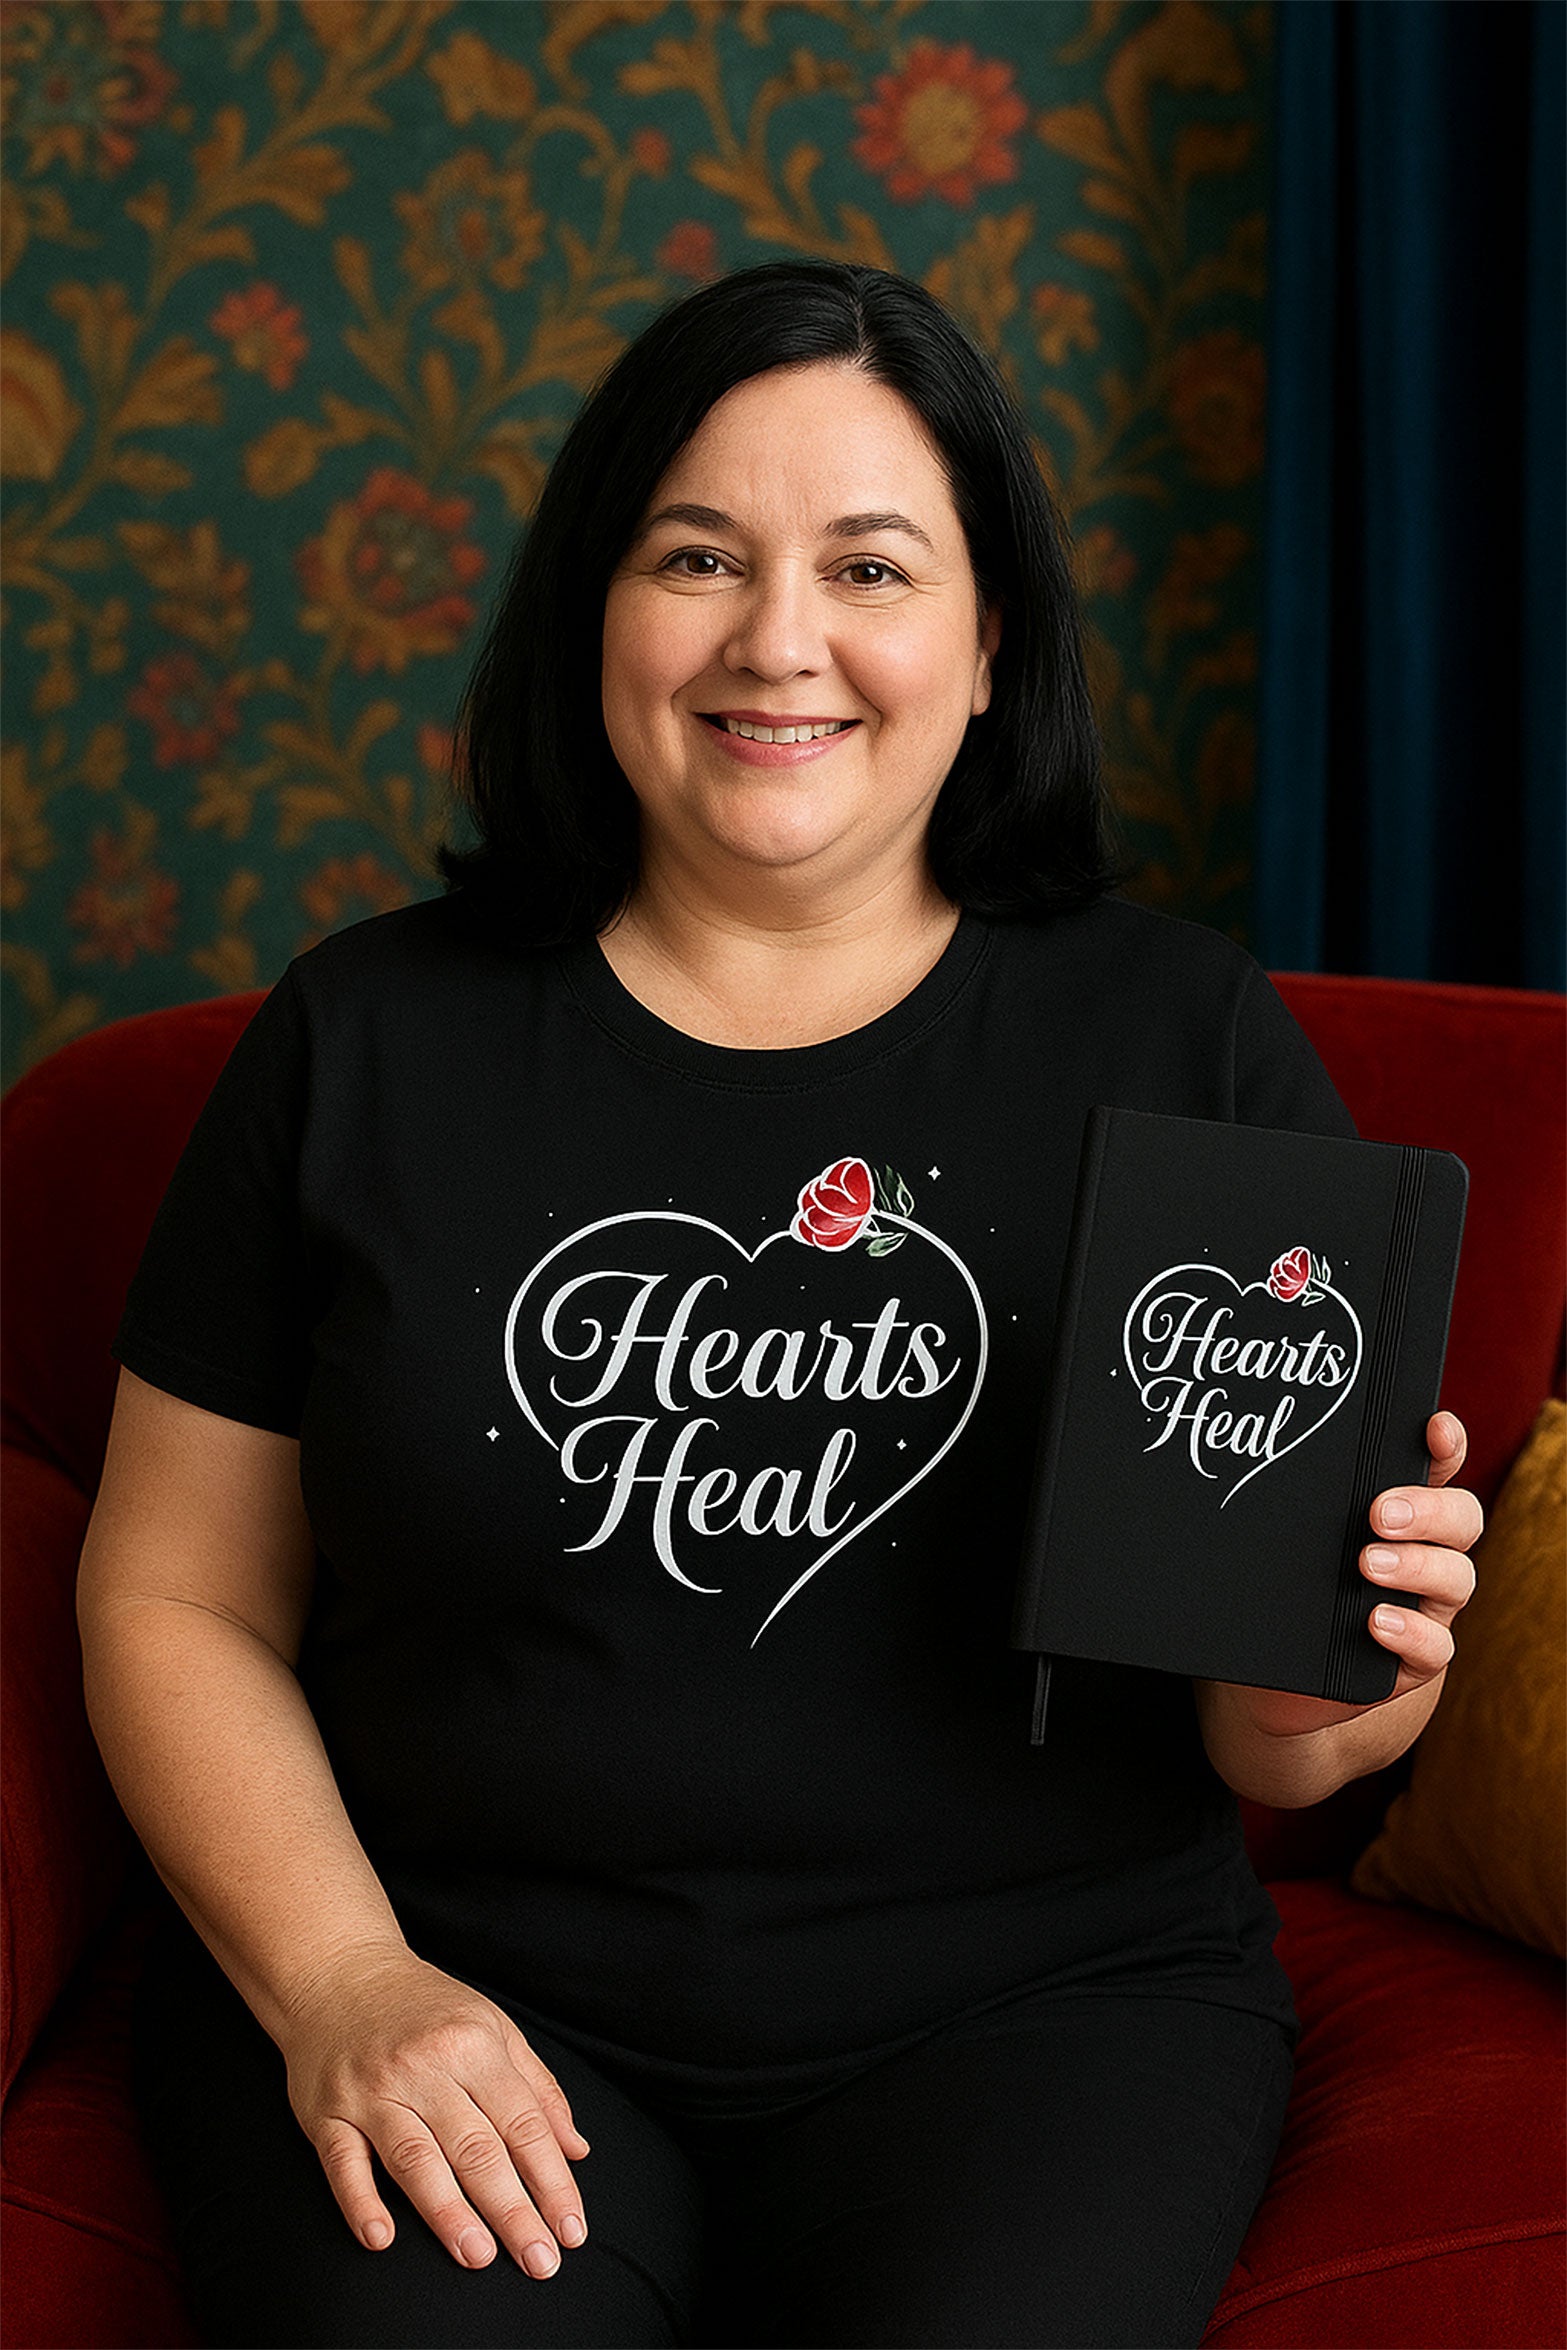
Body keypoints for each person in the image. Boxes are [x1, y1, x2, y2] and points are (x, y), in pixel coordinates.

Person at [79, 260, 1483, 2350]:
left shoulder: (1176, 1035)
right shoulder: (365, 1039)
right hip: (465, 1976)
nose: (778, 641)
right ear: (598, 611)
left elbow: (1278, 1751)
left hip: (1041, 2010)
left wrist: (1330, 1667)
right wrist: (347, 1981)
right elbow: (173, 1594)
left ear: (989, 637)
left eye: (871, 565)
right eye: (699, 556)